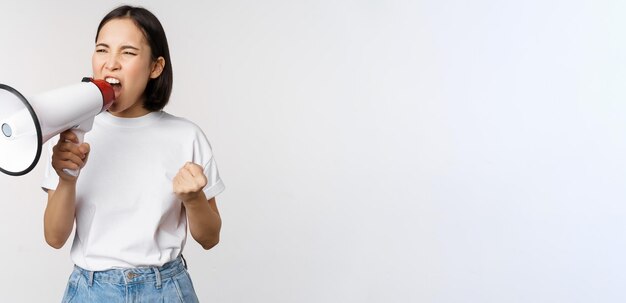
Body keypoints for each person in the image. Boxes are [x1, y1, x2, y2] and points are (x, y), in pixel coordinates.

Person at [42, 5, 224, 302]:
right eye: (102, 50)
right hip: (90, 291)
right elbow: (54, 237)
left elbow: (209, 237)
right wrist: (67, 179)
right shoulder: (72, 135)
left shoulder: (187, 136)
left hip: (165, 290)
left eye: (127, 52)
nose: (110, 63)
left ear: (156, 67)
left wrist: (193, 199)